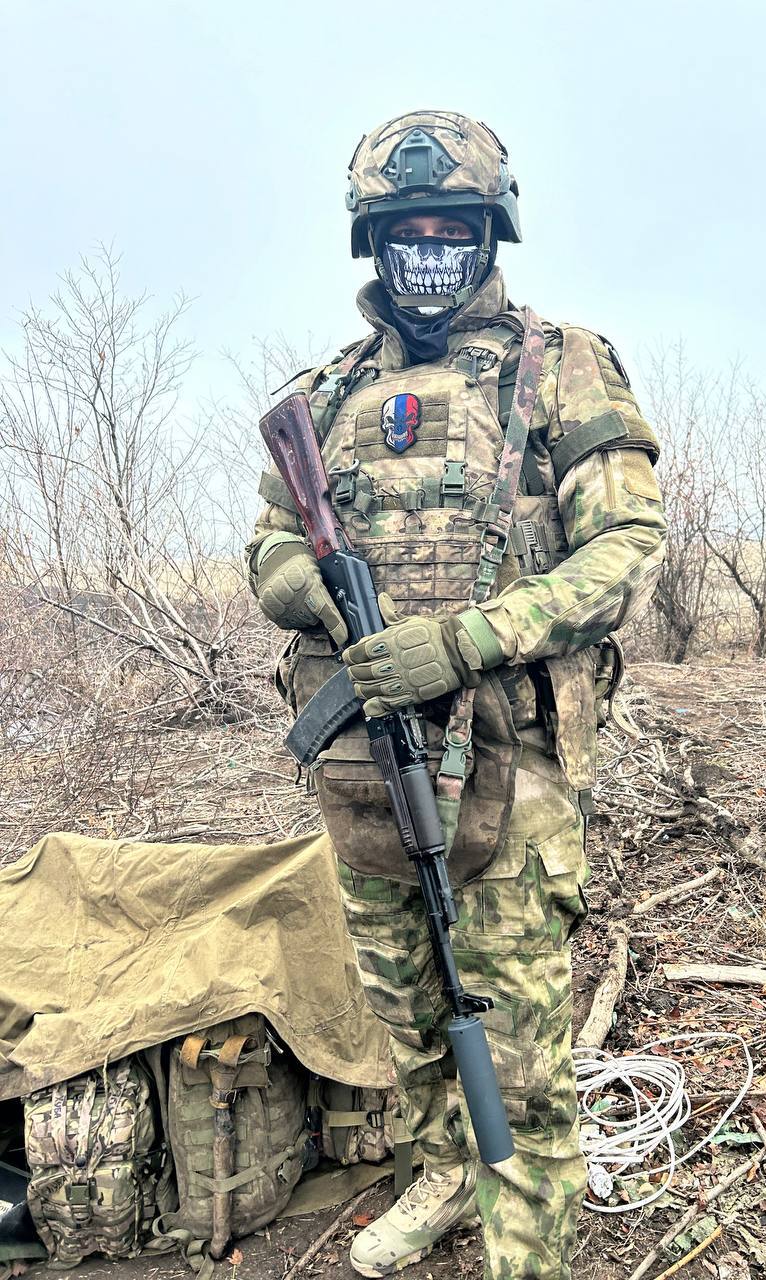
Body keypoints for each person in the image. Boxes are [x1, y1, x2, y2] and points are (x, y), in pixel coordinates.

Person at [245, 109, 666, 1280]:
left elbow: (625, 546)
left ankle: (527, 1238)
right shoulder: (323, 394)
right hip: (364, 757)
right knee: (405, 999)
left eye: (452, 226)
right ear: (371, 242)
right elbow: (270, 547)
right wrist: (316, 594)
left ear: (491, 232)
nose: (428, 246)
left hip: (509, 761)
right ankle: (441, 1172)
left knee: (515, 1041)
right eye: (404, 228)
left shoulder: (561, 361)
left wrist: (466, 639)